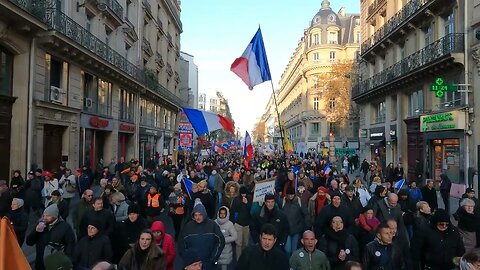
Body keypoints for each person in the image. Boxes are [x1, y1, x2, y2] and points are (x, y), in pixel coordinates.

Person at [178, 198, 225, 270]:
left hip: (209, 262)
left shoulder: (212, 225)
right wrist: (188, 259)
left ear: (204, 214)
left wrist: (214, 258)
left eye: (200, 215)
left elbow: (220, 241)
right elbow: (181, 244)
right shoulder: (188, 226)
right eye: (196, 215)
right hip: (193, 263)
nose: (198, 217)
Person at [26, 204, 76, 270]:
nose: (44, 218)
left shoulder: (65, 227)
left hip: (55, 264)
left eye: (48, 215)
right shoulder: (40, 224)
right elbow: (29, 242)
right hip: (40, 263)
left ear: (55, 216)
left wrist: (66, 262)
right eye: (44, 215)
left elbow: (70, 246)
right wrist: (36, 231)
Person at [282, 185, 309, 257]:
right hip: (286, 230)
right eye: (289, 194)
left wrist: (305, 226)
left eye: (292, 194)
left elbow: (305, 214)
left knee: (294, 250)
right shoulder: (283, 201)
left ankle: (292, 266)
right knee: (287, 249)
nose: (290, 196)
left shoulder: (299, 202)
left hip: (296, 229)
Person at [229, 185, 252, 260]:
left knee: (245, 243)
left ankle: (244, 258)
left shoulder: (250, 198)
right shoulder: (236, 199)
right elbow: (232, 211)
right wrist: (232, 222)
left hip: (247, 224)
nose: (243, 195)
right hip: (238, 224)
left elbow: (252, 211)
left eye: (244, 194)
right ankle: (238, 259)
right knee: (238, 243)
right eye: (242, 194)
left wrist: (247, 203)